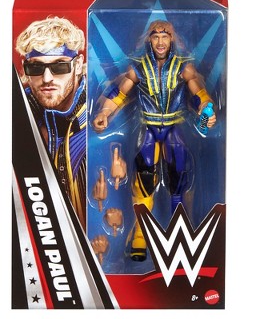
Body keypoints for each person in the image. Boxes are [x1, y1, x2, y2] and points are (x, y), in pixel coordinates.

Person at [92, 20, 216, 261]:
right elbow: (119, 93)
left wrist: (205, 109)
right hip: (147, 129)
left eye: (165, 36)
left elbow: (199, 92)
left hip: (174, 128)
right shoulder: (138, 68)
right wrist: (104, 113)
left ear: (172, 39)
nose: (160, 41)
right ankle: (140, 236)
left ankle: (180, 235)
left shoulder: (183, 67)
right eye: (156, 36)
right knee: (144, 183)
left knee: (178, 181)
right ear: (149, 39)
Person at [16, 16, 87, 229]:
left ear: (78, 65)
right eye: (36, 68)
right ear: (25, 69)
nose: (47, 78)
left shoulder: (102, 112)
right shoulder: (16, 115)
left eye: (59, 66)